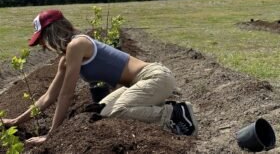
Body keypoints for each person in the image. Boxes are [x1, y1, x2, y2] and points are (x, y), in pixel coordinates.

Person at [3, 9, 198, 145]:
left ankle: (174, 114)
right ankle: (154, 106)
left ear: (51, 33)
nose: (44, 46)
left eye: (42, 40)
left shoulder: (77, 45)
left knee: (118, 111)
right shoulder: (67, 58)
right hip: (137, 84)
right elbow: (48, 97)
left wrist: (51, 134)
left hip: (155, 77)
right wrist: (15, 121)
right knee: (101, 112)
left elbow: (66, 95)